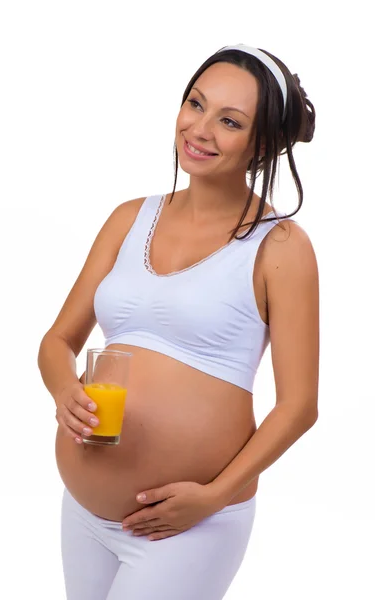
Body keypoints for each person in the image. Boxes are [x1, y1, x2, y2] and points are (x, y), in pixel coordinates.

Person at [38, 43, 319, 600]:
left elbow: (299, 407)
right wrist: (64, 388)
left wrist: (214, 496)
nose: (201, 128)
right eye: (196, 104)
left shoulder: (281, 246)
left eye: (230, 121)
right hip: (85, 514)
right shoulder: (129, 217)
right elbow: (58, 339)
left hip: (192, 524)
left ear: (262, 145)